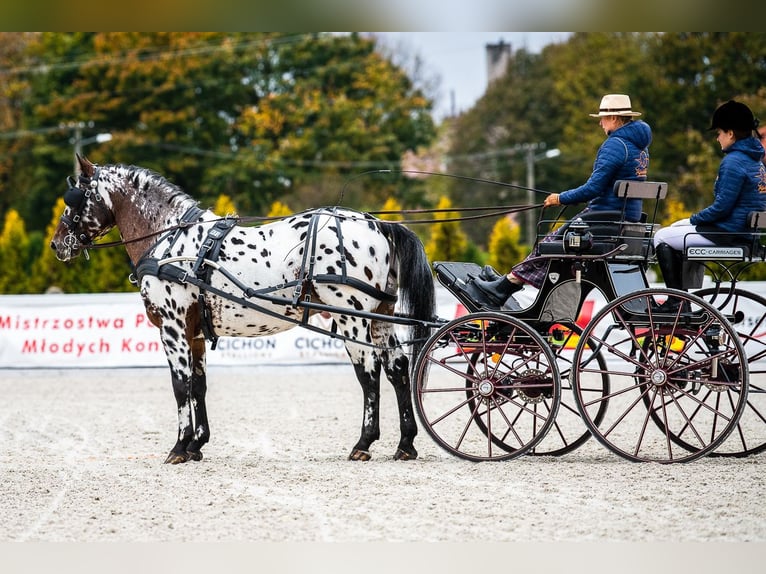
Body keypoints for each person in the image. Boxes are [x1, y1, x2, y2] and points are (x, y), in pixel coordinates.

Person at [473, 93, 653, 307]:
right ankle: (507, 281)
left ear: (614, 118)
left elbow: (593, 188)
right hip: (627, 220)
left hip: (603, 219)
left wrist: (560, 198)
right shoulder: (639, 147)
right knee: (554, 239)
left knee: (550, 243)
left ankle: (505, 286)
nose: (600, 122)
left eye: (602, 118)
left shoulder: (615, 145)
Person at [651, 100, 766, 311]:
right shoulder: (756, 162)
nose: (717, 138)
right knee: (676, 232)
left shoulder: (734, 161)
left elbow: (722, 207)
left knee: (661, 237)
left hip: (727, 233)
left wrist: (692, 219)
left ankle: (677, 302)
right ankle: (682, 300)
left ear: (730, 133)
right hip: (745, 233)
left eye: (719, 132)